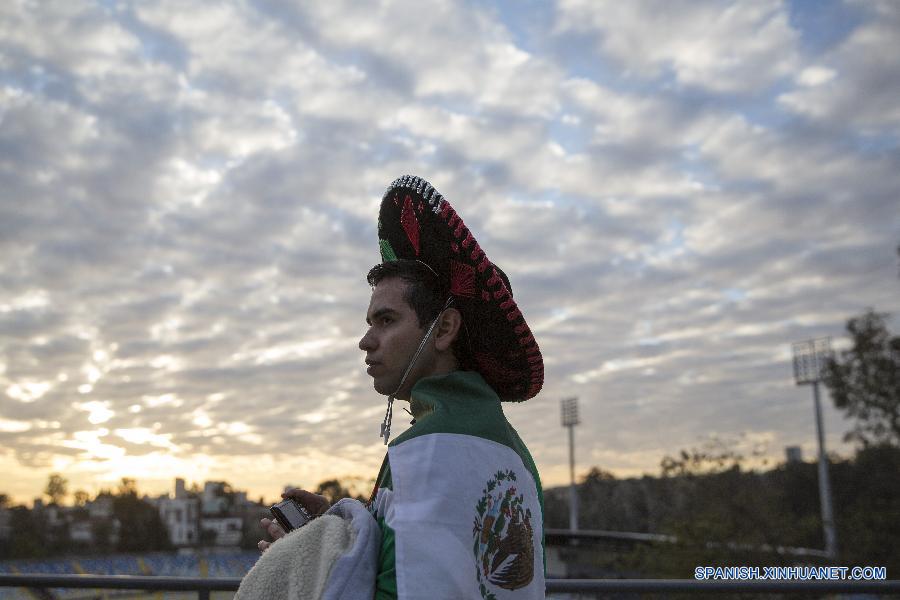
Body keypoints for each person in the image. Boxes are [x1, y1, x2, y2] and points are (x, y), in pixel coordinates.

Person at [258, 175, 545, 599]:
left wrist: (306, 558)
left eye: (386, 320)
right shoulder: (515, 452)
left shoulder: (430, 450)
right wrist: (348, 525)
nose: (366, 340)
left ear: (444, 328)